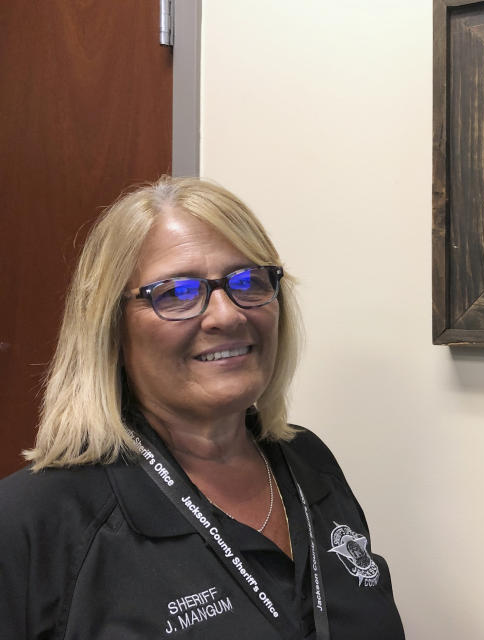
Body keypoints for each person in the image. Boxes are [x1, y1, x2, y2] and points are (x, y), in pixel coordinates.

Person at [0, 177, 405, 639]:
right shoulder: (34, 522)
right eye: (176, 293)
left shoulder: (309, 461)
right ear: (110, 328)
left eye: (248, 281)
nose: (228, 315)